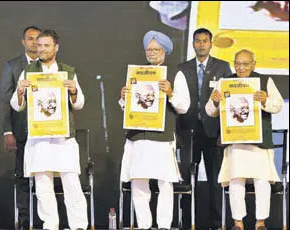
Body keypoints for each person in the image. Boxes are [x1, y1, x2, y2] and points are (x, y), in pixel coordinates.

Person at [10, 29, 88, 230]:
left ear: (56, 47)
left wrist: (73, 91)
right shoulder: (28, 72)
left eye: (46, 45)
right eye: (39, 45)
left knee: (71, 183)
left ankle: (78, 225)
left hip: (63, 138)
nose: (41, 49)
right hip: (39, 138)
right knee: (43, 186)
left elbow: (79, 103)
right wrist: (20, 91)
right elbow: (17, 105)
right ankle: (50, 225)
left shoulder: (67, 71)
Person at [119, 30, 190, 230]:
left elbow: (183, 106)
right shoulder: (136, 74)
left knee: (165, 182)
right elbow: (125, 107)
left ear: (165, 51)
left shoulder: (176, 74)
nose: (152, 53)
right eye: (149, 49)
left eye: (156, 49)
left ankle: (164, 225)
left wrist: (170, 92)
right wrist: (124, 96)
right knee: (138, 182)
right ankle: (143, 225)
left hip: (162, 137)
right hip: (138, 136)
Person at [206, 49, 283, 230]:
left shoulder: (264, 81)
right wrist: (215, 101)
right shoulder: (225, 83)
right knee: (235, 181)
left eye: (245, 64)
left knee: (262, 181)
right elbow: (210, 111)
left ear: (253, 64)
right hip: (236, 142)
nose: (240, 68)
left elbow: (278, 105)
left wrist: (265, 101)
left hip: (259, 143)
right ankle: (238, 223)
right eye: (237, 64)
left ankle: (260, 223)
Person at [175, 28, 232, 229]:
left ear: (211, 43)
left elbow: (229, 103)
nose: (201, 44)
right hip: (187, 131)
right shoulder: (182, 68)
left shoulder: (223, 67)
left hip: (213, 132)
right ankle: (187, 222)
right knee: (186, 179)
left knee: (216, 180)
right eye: (198, 41)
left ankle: (217, 224)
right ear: (193, 43)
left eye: (205, 41)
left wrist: (224, 133)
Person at [0, 25, 41, 230]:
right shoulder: (13, 66)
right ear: (23, 42)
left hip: (45, 133)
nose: (34, 42)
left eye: (37, 39)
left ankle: (43, 221)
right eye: (30, 38)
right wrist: (8, 131)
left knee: (43, 178)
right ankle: (25, 222)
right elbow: (5, 100)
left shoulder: (50, 66)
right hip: (22, 131)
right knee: (23, 179)